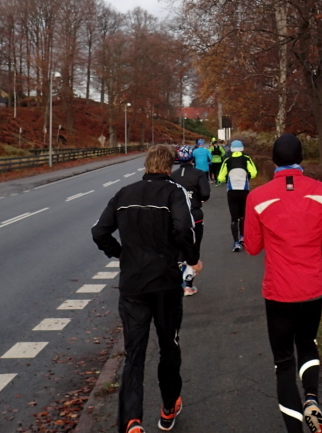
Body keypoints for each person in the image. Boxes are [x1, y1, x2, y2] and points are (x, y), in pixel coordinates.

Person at [91, 144, 201, 433]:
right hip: (165, 282)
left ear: (146, 165)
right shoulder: (173, 192)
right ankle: (168, 407)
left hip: (133, 285)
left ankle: (131, 421)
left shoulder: (124, 193)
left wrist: (120, 253)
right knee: (169, 345)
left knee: (134, 354)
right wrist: (191, 258)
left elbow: (99, 231)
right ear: (168, 167)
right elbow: (183, 228)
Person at [244, 134, 322, 433]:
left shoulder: (258, 197)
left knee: (284, 361)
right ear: (301, 158)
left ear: (274, 160)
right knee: (307, 344)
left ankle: (295, 429)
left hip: (279, 291)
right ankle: (312, 400)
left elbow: (251, 246)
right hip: (313, 286)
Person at [170, 144, 211, 295]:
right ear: (192, 157)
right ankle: (188, 284)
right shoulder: (198, 174)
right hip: (194, 215)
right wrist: (198, 198)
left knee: (178, 248)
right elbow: (206, 194)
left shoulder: (173, 175)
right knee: (193, 248)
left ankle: (179, 282)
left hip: (175, 216)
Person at [216, 139, 258, 252]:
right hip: (244, 190)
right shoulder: (246, 158)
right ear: (242, 148)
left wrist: (227, 178)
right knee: (243, 216)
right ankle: (243, 237)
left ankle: (235, 242)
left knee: (234, 218)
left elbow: (220, 177)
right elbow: (254, 173)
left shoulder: (227, 160)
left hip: (232, 191)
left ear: (231, 149)